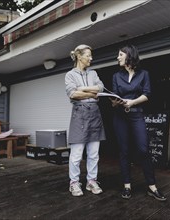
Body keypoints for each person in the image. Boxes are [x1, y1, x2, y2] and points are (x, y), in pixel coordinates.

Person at [110, 45, 167, 201]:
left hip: (137, 116)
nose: (117, 57)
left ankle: (152, 186)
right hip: (120, 117)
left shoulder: (144, 74)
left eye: (120, 54)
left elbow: (147, 94)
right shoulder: (116, 76)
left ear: (129, 56)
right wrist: (115, 102)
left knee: (143, 149)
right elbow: (115, 96)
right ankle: (127, 185)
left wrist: (132, 102)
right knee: (124, 151)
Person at [65, 44, 106, 197]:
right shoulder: (70, 75)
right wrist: (90, 92)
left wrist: (81, 89)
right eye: (88, 55)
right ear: (79, 56)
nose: (91, 58)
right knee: (76, 154)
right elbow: (72, 94)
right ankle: (74, 183)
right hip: (79, 114)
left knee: (94, 153)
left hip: (95, 114)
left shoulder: (93, 73)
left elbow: (100, 89)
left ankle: (91, 181)